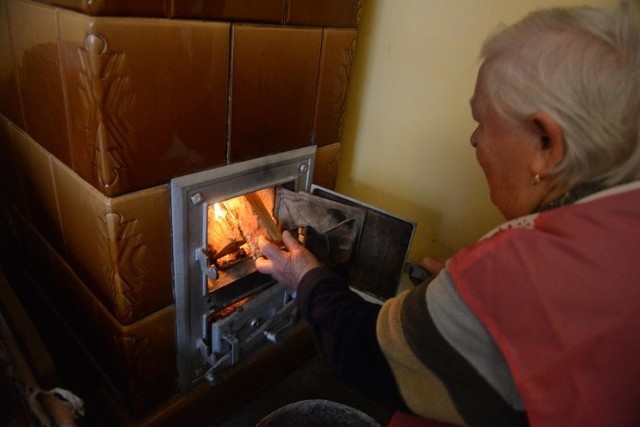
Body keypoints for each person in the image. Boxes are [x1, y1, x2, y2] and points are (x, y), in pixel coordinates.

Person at [256, 2, 640, 426]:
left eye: (482, 121)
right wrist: (459, 303)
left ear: (546, 143)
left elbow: (365, 354)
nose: (475, 140)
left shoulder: (518, 273)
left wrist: (305, 274)